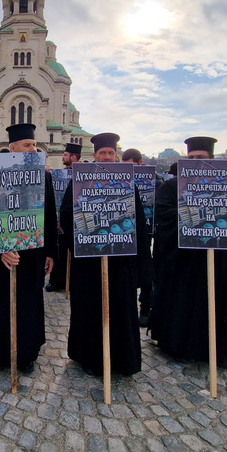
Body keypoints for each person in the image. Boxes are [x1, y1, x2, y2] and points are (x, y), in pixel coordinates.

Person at [59, 132, 151, 376]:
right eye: (103, 153)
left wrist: (138, 254)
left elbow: (139, 222)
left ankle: (121, 360)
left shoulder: (127, 181)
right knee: (90, 309)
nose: (107, 157)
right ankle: (89, 358)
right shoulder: (80, 180)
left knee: (120, 308)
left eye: (111, 153)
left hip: (122, 261)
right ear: (95, 155)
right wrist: (82, 239)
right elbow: (67, 213)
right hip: (89, 260)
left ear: (116, 155)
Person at [147, 136, 227, 368]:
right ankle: (176, 344)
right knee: (180, 303)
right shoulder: (172, 185)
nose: (195, 162)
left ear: (211, 159)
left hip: (217, 258)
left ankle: (215, 349)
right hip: (182, 259)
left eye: (200, 158)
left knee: (214, 302)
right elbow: (163, 214)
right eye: (191, 158)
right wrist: (194, 219)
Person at [0, 124, 58, 373]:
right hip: (0, 254)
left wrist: (51, 252)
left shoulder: (43, 175)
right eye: (28, 145)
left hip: (32, 253)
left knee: (28, 302)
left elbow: (49, 214)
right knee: (0, 299)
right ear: (13, 149)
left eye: (34, 145)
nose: (33, 149)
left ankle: (26, 353)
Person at [122, 147, 153, 327]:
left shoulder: (153, 182)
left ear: (140, 164)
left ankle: (146, 306)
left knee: (145, 269)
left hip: (144, 234)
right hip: (125, 236)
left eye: (132, 166)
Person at [45, 142, 81, 292]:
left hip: (76, 221)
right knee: (60, 250)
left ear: (73, 157)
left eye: (65, 155)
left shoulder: (84, 173)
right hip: (62, 219)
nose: (63, 157)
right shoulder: (61, 172)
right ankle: (57, 280)